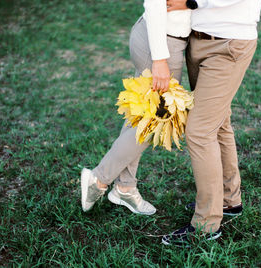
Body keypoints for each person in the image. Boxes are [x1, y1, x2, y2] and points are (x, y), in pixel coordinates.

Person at [162, 0, 261, 246]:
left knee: (198, 131)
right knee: (218, 123)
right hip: (197, 40)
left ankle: (206, 225)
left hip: (229, 43)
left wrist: (191, 2)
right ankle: (229, 199)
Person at [80, 1, 191, 215]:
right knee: (156, 120)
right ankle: (99, 179)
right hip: (161, 43)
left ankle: (125, 187)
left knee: (143, 116)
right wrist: (159, 60)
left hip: (164, 38)